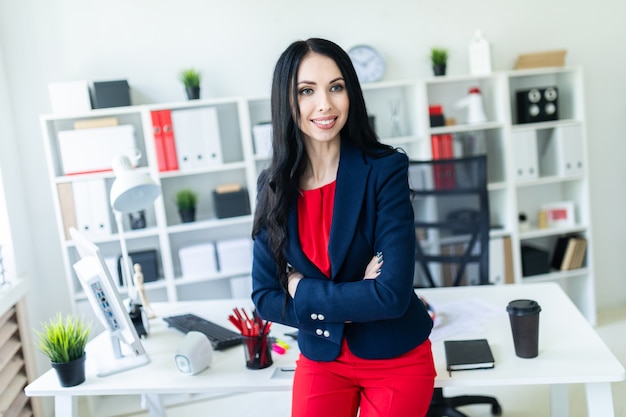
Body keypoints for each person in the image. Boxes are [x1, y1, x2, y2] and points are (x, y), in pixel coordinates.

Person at [251, 38, 435, 417]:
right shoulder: (273, 185)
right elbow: (264, 296)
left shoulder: (385, 170)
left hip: (395, 356)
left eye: (336, 87)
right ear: (286, 101)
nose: (325, 104)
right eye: (307, 91)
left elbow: (391, 295)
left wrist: (299, 286)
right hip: (322, 356)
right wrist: (352, 297)